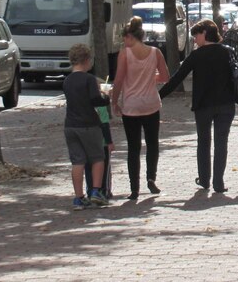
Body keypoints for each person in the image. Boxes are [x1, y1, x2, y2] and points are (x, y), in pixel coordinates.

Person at [159, 20, 238, 193]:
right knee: (221, 143)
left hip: (203, 106)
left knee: (203, 142)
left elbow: (177, 78)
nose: (194, 39)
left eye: (196, 35)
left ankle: (205, 179)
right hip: (226, 105)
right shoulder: (228, 52)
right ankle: (218, 182)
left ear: (205, 33)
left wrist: (158, 96)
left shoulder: (196, 56)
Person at [110, 17, 170, 200]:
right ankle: (151, 178)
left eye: (124, 38)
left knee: (133, 147)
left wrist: (114, 101)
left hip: (131, 105)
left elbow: (119, 80)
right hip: (151, 103)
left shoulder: (125, 54)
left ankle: (134, 187)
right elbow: (166, 76)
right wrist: (152, 78)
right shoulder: (155, 52)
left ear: (129, 36)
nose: (123, 42)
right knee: (152, 144)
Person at [63, 44, 110, 210]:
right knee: (97, 158)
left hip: (70, 125)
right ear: (86, 60)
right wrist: (106, 97)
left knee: (77, 161)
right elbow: (95, 100)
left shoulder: (67, 80)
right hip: (88, 124)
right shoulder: (89, 79)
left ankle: (78, 197)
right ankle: (96, 191)